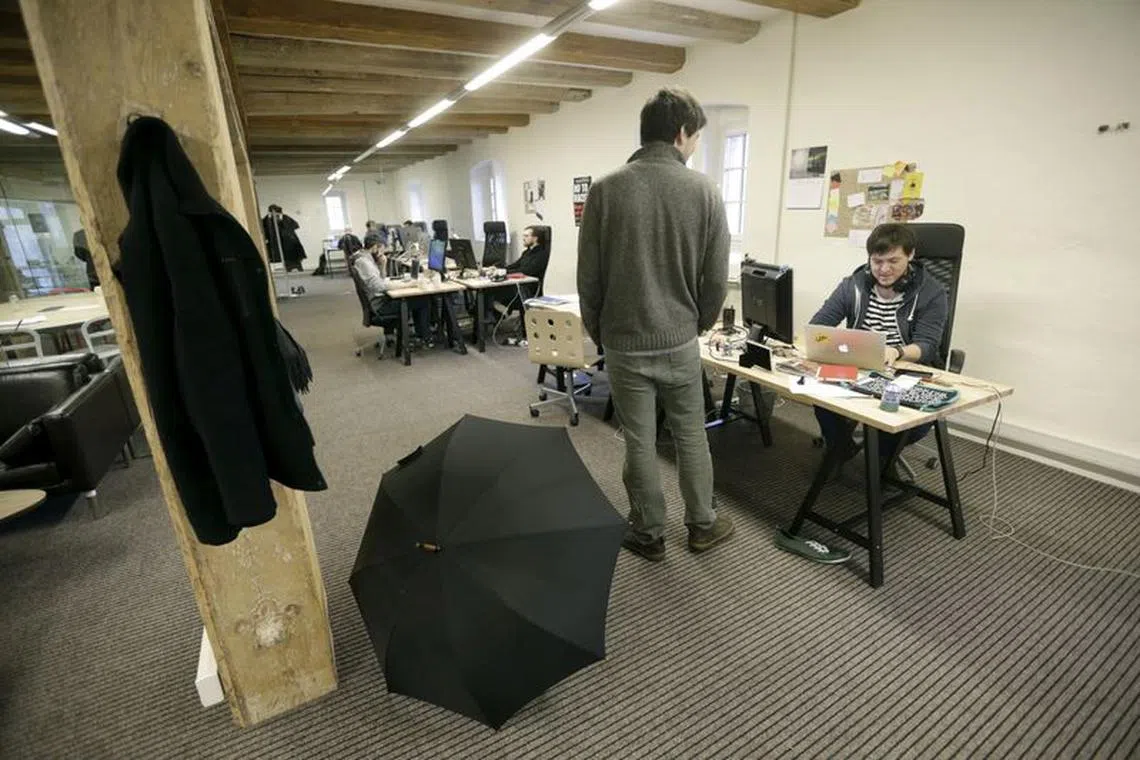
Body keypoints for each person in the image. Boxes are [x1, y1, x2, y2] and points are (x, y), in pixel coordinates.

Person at [577, 87, 734, 562]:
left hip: (624, 343)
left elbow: (589, 277)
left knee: (640, 442)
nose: (695, 147)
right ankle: (703, 525)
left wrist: (600, 331)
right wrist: (697, 324)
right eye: (696, 137)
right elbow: (716, 277)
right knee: (691, 436)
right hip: (680, 340)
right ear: (682, 133)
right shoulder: (705, 191)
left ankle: (648, 533)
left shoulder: (605, 190)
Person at [779, 222, 949, 564]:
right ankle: (841, 449)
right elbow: (821, 323)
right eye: (877, 261)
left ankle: (882, 460)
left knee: (911, 424)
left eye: (893, 262)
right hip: (856, 368)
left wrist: (897, 352)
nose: (884, 270)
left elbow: (929, 345)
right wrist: (812, 344)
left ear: (911, 257)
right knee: (822, 395)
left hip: (902, 370)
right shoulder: (855, 284)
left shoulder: (932, 292)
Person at [349, 248, 433, 346]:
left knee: (417, 299)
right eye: (382, 248)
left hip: (376, 303)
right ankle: (425, 338)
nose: (383, 252)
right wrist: (409, 285)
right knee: (422, 300)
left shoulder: (364, 260)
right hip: (381, 306)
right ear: (376, 247)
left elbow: (381, 279)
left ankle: (420, 335)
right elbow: (380, 286)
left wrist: (383, 264)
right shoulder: (365, 263)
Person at [261, 205, 307, 272]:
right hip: (279, 243)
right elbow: (265, 230)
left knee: (294, 256)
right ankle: (290, 267)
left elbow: (296, 225)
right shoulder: (267, 220)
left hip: (290, 242)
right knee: (287, 257)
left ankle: (295, 267)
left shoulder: (285, 218)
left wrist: (281, 221)